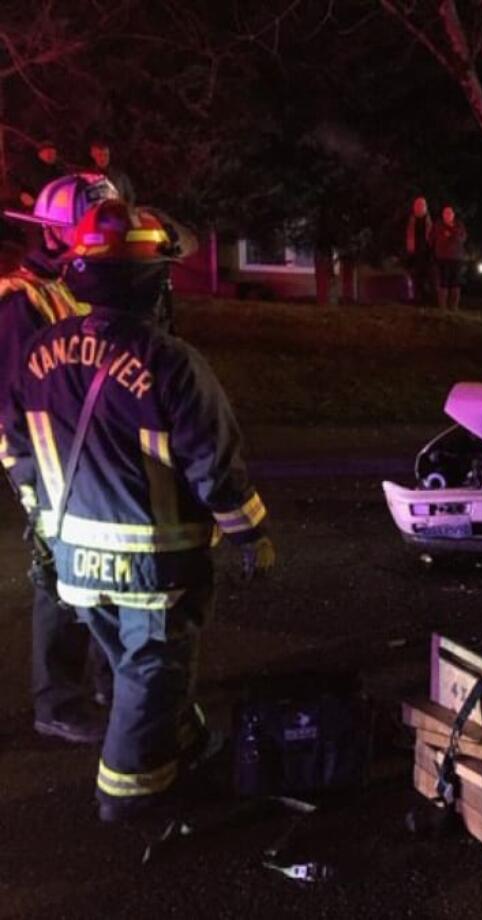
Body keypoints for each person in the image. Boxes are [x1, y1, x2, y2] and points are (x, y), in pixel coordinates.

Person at [1, 199, 275, 823]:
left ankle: (179, 745)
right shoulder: (173, 363)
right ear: (155, 281)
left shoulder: (40, 351)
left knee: (135, 670)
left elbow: (14, 445)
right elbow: (215, 465)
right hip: (154, 566)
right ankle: (130, 792)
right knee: (154, 669)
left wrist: (44, 525)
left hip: (75, 562)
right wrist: (250, 535)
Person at [1, 173, 120, 744]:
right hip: (46, 463)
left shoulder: (81, 286)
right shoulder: (18, 302)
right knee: (57, 577)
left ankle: (106, 681)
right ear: (58, 231)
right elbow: (10, 403)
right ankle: (58, 702)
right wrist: (29, 478)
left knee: (102, 568)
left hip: (89, 458)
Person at [430, 205, 467, 310]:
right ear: (443, 215)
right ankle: (442, 307)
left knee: (455, 281)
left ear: (453, 215)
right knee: (443, 281)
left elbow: (462, 238)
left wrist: (451, 232)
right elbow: (431, 238)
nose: (447, 215)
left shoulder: (459, 225)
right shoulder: (438, 225)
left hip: (456, 258)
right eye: (445, 213)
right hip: (442, 257)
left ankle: (454, 307)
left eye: (449, 213)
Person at [404, 196, 433, 305]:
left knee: (427, 276)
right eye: (417, 205)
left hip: (426, 252)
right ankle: (416, 298)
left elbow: (432, 236)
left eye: (421, 205)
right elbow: (408, 235)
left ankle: (427, 298)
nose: (419, 207)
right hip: (414, 252)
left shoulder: (428, 220)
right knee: (416, 276)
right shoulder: (411, 220)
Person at [87, 139, 136, 204]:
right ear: (93, 155)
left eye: (106, 155)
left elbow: (130, 196)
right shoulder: (87, 177)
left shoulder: (120, 176)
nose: (103, 158)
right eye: (100, 155)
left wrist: (125, 210)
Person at [18, 142, 62, 210]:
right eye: (47, 152)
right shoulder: (29, 167)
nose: (50, 155)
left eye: (53, 153)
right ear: (40, 154)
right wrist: (22, 194)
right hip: (32, 207)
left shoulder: (57, 170)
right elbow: (15, 180)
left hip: (52, 206)